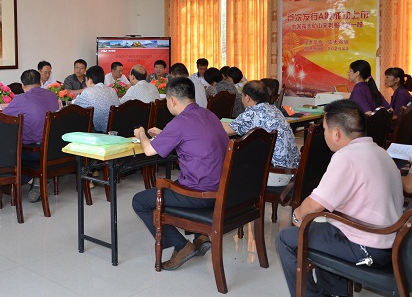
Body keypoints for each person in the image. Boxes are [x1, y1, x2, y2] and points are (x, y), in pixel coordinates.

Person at [276, 99, 404, 297]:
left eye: (325, 130)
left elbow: (315, 204)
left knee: (287, 238)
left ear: (336, 133)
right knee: (326, 227)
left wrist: (297, 217)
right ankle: (335, 292)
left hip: (368, 246)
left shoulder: (346, 157)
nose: (325, 135)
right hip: (389, 241)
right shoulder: (380, 152)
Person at [132, 77, 229, 271]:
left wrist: (141, 134)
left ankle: (181, 245)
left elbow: (149, 150)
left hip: (202, 195)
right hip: (224, 189)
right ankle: (200, 236)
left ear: (172, 100)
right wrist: (165, 135)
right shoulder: (209, 114)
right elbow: (194, 140)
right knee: (180, 181)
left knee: (140, 201)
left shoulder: (180, 122)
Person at [223, 80, 299, 187]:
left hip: (276, 173)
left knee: (228, 169)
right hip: (292, 170)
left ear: (247, 97)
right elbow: (234, 125)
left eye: (242, 96)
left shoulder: (252, 113)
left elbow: (225, 130)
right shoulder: (274, 110)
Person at [3, 69, 61, 202]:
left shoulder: (21, 99)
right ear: (40, 82)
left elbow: (4, 119)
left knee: (5, 151)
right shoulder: (52, 96)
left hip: (34, 151)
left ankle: (32, 179)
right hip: (53, 149)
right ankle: (37, 179)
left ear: (22, 85)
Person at [73, 65, 119, 132]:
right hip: (115, 129)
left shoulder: (88, 91)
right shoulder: (112, 90)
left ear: (90, 80)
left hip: (98, 131)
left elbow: (74, 108)